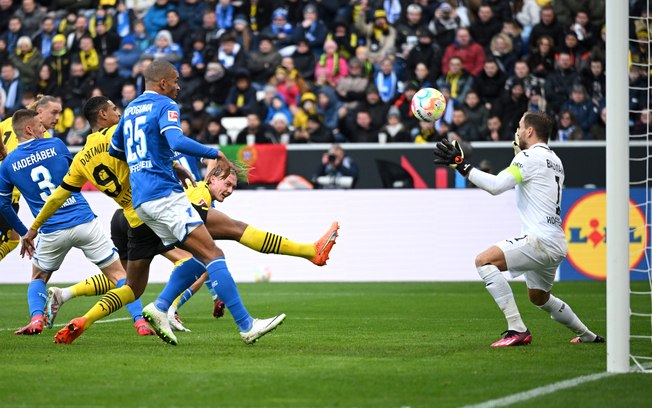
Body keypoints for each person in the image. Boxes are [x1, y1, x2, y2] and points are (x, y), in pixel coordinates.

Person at [25, 95, 338, 343]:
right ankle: (306, 256)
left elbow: (57, 196)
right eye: (115, 110)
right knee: (229, 234)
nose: (120, 114)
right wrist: (178, 163)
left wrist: (33, 228)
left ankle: (85, 319)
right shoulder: (121, 135)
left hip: (132, 220)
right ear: (103, 116)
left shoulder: (80, 159)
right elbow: (152, 150)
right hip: (159, 204)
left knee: (137, 285)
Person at [109, 60, 286, 345]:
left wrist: (160, 163)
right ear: (163, 83)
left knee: (197, 260)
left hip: (142, 201)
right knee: (214, 254)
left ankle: (160, 307)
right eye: (176, 80)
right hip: (164, 196)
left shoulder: (129, 110)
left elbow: (115, 150)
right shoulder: (165, 105)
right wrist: (214, 152)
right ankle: (246, 325)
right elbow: (176, 141)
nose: (179, 86)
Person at [432, 111, 604, 347]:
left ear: (530, 131)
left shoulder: (528, 158)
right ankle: (586, 335)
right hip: (556, 242)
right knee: (539, 298)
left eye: (520, 127)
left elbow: (496, 186)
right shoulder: (555, 160)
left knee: (484, 261)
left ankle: (517, 328)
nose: (518, 131)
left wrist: (463, 167)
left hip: (539, 240)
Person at [0, 108, 150, 336]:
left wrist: (24, 233)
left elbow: (3, 205)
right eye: (40, 126)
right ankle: (139, 322)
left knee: (38, 277)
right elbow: (76, 175)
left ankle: (37, 319)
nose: (45, 129)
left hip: (51, 230)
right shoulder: (57, 145)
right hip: (83, 221)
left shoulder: (8, 164)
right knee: (120, 276)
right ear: (30, 129)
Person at [0, 95, 59, 263]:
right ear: (39, 114)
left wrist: (2, 150)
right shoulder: (43, 139)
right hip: (7, 196)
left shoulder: (9, 122)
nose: (56, 119)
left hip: (9, 195)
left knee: (12, 238)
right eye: (53, 113)